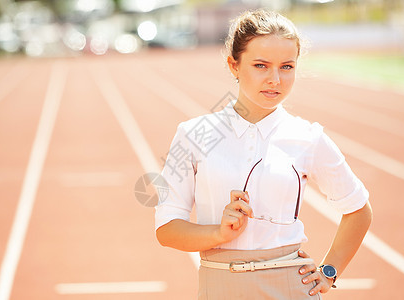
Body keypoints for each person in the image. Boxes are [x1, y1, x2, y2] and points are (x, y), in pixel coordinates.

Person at [155, 9, 372, 299]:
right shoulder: (194, 133)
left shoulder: (308, 137)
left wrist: (329, 271)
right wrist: (218, 234)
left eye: (286, 67)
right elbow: (167, 229)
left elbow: (358, 210)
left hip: (291, 286)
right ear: (234, 65)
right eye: (261, 65)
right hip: (220, 285)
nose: (276, 79)